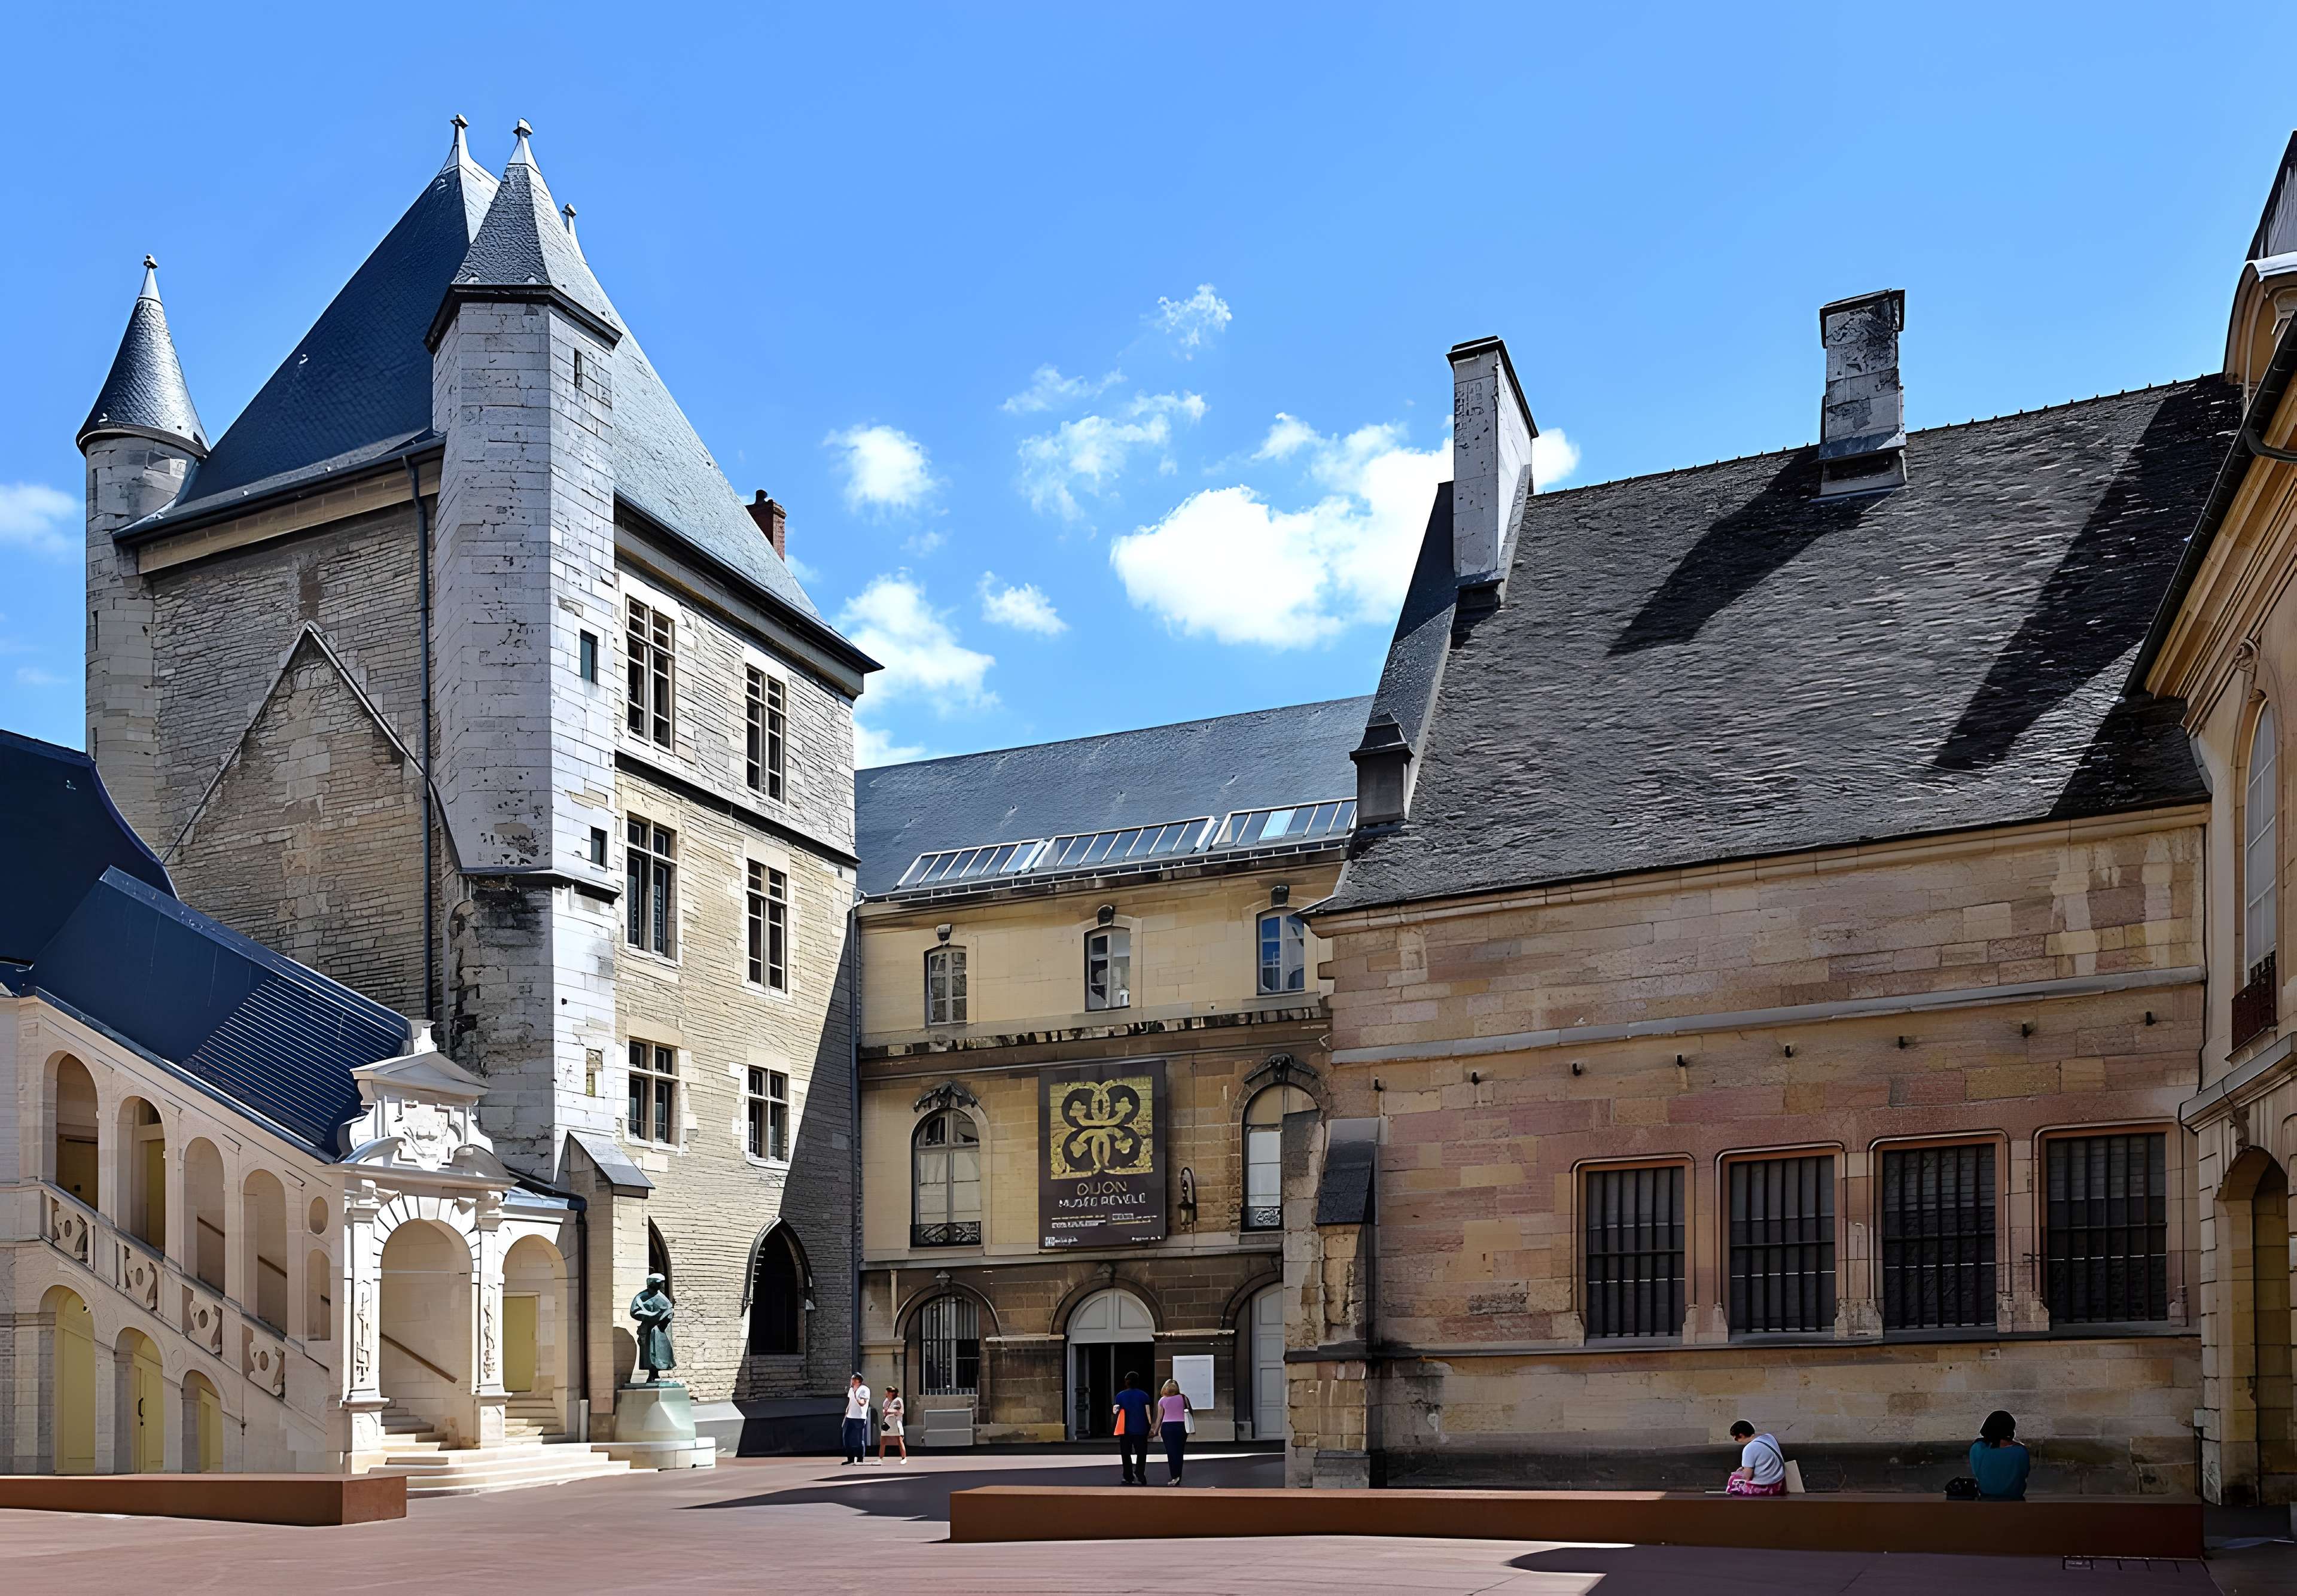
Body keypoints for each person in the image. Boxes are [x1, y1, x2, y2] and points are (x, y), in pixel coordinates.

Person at [1970, 1410, 2030, 1501]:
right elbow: (2024, 1474)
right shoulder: (2020, 1451)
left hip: (1986, 1500)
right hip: (2015, 1500)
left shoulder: (1977, 1448)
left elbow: (1977, 1473)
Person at [1112, 1370, 1153, 1485]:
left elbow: (1115, 1411)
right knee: (1141, 1453)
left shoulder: (1120, 1395)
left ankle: (1128, 1476)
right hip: (1141, 1428)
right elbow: (1148, 1413)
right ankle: (1140, 1474)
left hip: (1125, 1429)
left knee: (1126, 1453)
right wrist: (1150, 1426)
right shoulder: (1144, 1395)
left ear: (1127, 1382)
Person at [1725, 1419, 1787, 1496]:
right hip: (1780, 1483)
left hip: (1767, 1486)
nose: (1736, 1441)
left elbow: (1747, 1477)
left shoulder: (1749, 1448)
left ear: (1741, 1435)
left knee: (1733, 1480)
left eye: (1735, 1438)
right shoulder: (1769, 1438)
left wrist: (1743, 1472)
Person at [1156, 1377, 1193, 1485]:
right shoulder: (1183, 1398)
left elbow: (1159, 1418)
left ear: (1165, 1389)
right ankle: (1178, 1476)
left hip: (1167, 1427)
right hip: (1181, 1427)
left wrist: (1155, 1430)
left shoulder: (1162, 1400)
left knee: (1171, 1453)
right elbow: (1190, 1411)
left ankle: (1174, 1476)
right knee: (1179, 1452)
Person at [842, 1373, 872, 1466]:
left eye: (853, 1379)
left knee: (859, 1439)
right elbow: (850, 1402)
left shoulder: (864, 1389)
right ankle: (850, 1458)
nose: (851, 1381)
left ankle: (860, 1459)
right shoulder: (851, 1389)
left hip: (859, 1418)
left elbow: (863, 1402)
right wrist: (845, 1416)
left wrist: (856, 1394)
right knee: (846, 1437)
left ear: (857, 1381)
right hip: (849, 1417)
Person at [878, 1386, 908, 1465]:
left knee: (899, 1440)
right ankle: (880, 1458)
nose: (886, 1394)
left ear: (892, 1393)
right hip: (887, 1422)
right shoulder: (886, 1401)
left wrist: (888, 1411)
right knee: (883, 1440)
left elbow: (896, 1410)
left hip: (896, 1422)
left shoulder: (898, 1400)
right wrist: (885, 1411)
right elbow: (884, 1410)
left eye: (888, 1392)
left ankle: (904, 1458)